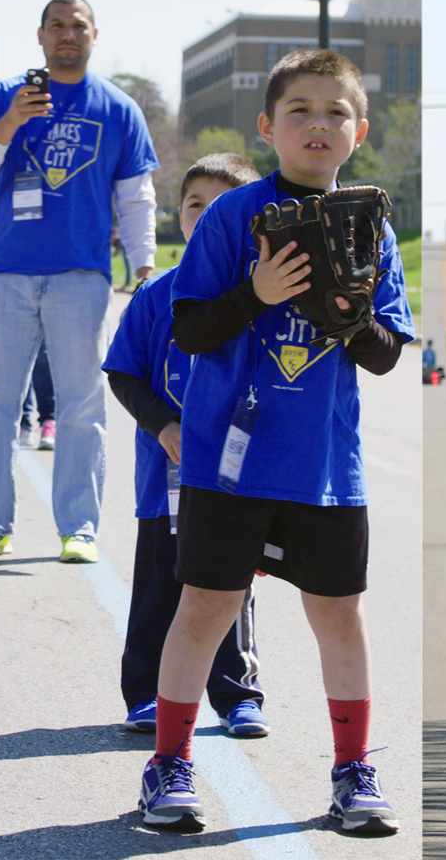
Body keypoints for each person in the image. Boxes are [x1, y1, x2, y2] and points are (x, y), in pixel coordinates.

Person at [139, 47, 408, 835]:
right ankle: (169, 764)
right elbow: (188, 331)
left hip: (325, 466)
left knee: (338, 615)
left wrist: (351, 314)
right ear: (268, 126)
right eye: (300, 110)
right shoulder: (232, 216)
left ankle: (353, 770)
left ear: (357, 131)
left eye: (335, 112)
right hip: (230, 459)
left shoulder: (372, 227)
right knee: (205, 607)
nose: (318, 123)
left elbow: (387, 355)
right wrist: (256, 293)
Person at [0, 0, 160, 563]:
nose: (68, 35)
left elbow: (136, 197)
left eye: (78, 26)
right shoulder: (3, 97)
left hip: (81, 275)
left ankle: (79, 529)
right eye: (58, 26)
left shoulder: (118, 109)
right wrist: (12, 121)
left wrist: (144, 266)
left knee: (81, 404)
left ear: (95, 36)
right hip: (6, 271)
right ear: (40, 36)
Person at [105, 152, 268, 738]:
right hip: (165, 476)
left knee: (230, 586)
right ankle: (146, 692)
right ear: (178, 215)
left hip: (237, 478)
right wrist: (163, 426)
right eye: (196, 204)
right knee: (160, 584)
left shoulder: (266, 298)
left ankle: (237, 692)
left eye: (224, 207)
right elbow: (124, 373)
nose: (207, 216)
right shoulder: (157, 295)